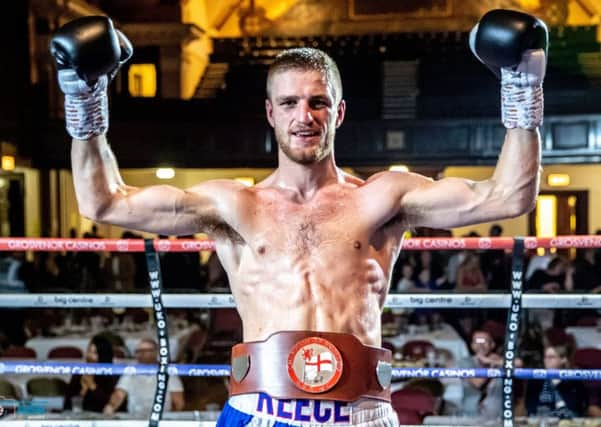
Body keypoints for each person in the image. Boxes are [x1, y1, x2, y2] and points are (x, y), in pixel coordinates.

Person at [51, 9, 547, 426]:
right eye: (289, 103)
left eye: (318, 102)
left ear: (340, 113)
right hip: (258, 410)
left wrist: (522, 89)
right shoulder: (234, 205)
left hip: (359, 412)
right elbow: (105, 203)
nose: (303, 116)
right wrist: (84, 100)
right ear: (271, 114)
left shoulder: (383, 198)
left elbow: (507, 199)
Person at [103, 338, 185, 416]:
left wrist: (169, 420)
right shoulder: (131, 371)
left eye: (147, 351)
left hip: (161, 417)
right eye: (139, 351)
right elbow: (119, 395)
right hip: (135, 418)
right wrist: (111, 407)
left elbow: (178, 402)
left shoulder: (168, 372)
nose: (142, 354)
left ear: (156, 352)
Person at [525, 344, 588, 419]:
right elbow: (530, 407)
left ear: (563, 359)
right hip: (542, 420)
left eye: (551, 357)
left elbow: (578, 407)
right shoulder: (536, 380)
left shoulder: (573, 379)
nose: (547, 360)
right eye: (545, 357)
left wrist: (559, 384)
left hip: (567, 420)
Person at [64, 335, 121, 412]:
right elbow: (67, 404)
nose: (89, 356)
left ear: (103, 356)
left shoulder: (113, 375)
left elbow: (109, 405)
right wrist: (83, 391)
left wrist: (92, 386)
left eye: (94, 353)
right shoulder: (79, 374)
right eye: (88, 351)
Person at [458, 329, 504, 418]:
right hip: (471, 414)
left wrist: (493, 361)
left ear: (492, 345)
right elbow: (478, 383)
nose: (480, 345)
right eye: (477, 342)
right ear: (471, 345)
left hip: (496, 415)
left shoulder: (500, 361)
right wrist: (491, 365)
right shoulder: (465, 362)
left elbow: (519, 364)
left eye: (485, 341)